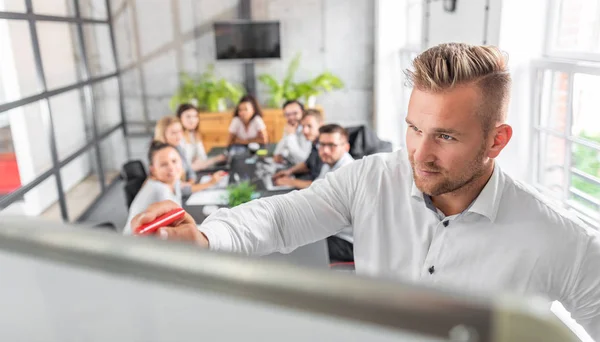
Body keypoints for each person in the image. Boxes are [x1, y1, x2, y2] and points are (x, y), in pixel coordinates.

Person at [131, 43, 600, 338]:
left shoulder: (559, 239)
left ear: (496, 141)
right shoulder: (373, 177)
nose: (419, 153)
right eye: (414, 128)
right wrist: (208, 237)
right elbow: (281, 217)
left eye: (446, 136)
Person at [122, 141, 226, 235]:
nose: (171, 167)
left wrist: (210, 182)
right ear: (153, 169)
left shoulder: (172, 182)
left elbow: (186, 188)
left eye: (174, 161)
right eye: (163, 164)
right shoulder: (159, 190)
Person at [272, 109, 324, 189]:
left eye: (309, 126)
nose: (305, 131)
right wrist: (288, 172)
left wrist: (290, 182)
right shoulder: (315, 143)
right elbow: (307, 164)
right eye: (303, 126)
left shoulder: (325, 149)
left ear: (321, 125)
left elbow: (320, 185)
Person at [176, 104, 227, 171]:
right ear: (180, 118)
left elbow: (202, 158)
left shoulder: (194, 135)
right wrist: (214, 160)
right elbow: (183, 168)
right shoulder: (178, 138)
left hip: (197, 171)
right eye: (188, 116)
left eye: (195, 116)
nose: (192, 120)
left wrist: (216, 159)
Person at [154, 116, 196, 183]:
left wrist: (190, 182)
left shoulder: (177, 146)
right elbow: (172, 185)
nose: (179, 136)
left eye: (180, 131)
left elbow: (190, 171)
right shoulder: (159, 154)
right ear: (163, 134)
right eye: (174, 133)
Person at [272, 100, 312, 164]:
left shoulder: (307, 130)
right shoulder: (290, 127)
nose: (291, 117)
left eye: (295, 113)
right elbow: (278, 153)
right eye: (287, 114)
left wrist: (291, 135)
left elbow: (304, 160)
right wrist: (278, 154)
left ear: (303, 113)